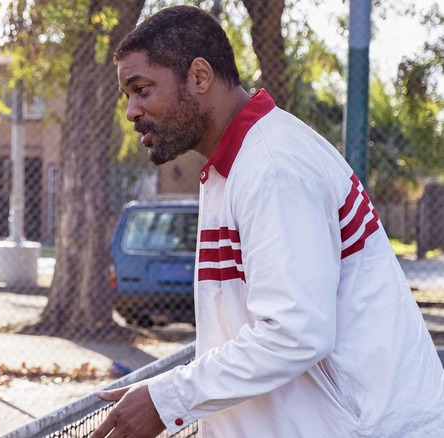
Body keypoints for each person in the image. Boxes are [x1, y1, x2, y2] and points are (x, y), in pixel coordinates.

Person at [93, 5, 444, 438]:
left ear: (199, 78)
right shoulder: (234, 166)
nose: (131, 111)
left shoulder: (273, 166)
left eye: (142, 89)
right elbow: (256, 334)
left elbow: (294, 333)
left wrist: (170, 399)